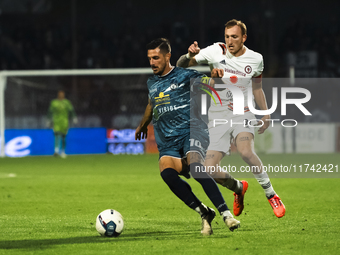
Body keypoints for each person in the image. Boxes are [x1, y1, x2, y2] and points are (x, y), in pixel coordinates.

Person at [176, 19, 285, 218]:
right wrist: (189, 55)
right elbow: (180, 65)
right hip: (217, 116)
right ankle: (238, 188)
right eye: (227, 37)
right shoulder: (216, 50)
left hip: (243, 112)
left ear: (244, 37)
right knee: (208, 168)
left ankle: (271, 194)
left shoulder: (256, 59)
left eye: (234, 37)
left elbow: (257, 88)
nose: (230, 41)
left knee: (245, 152)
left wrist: (266, 112)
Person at [135, 38, 240, 236]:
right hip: (167, 140)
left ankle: (226, 214)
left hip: (192, 130)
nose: (152, 63)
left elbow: (210, 85)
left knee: (197, 168)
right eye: (149, 58)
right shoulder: (152, 82)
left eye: (156, 58)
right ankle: (204, 212)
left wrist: (217, 78)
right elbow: (151, 104)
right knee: (167, 174)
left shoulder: (186, 75)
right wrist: (142, 124)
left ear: (168, 57)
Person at [47, 90, 77, 158]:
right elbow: (50, 111)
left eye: (62, 94)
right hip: (56, 122)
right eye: (60, 94)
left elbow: (71, 110)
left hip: (64, 122)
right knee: (56, 135)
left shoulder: (67, 102)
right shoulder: (54, 102)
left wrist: (74, 117)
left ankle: (63, 151)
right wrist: (49, 119)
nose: (61, 95)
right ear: (58, 95)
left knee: (64, 137)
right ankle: (56, 151)